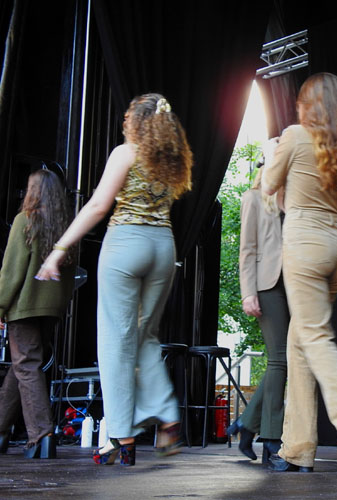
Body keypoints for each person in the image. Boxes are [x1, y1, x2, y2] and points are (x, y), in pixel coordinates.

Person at [36, 93, 193, 466]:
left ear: (137, 121)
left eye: (128, 118)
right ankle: (167, 416)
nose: (124, 123)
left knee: (116, 341)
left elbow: (97, 206)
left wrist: (59, 249)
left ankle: (122, 434)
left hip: (126, 244)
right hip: (163, 246)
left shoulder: (127, 153)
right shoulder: (171, 161)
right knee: (145, 336)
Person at [262, 72, 337, 475]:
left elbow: (268, 187)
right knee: (300, 344)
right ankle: (297, 450)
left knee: (315, 338)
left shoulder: (295, 136)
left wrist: (270, 152)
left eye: (301, 102)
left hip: (305, 243)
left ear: (308, 106)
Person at [0, 170, 75, 459]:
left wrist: (1, 306)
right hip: (50, 310)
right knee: (22, 367)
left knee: (26, 366)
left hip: (24, 307)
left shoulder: (25, 220)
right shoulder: (65, 227)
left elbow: (11, 272)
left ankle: (42, 435)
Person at [229, 167, 288, 463]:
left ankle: (247, 423)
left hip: (295, 285)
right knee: (280, 359)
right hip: (267, 285)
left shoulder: (295, 199)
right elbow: (247, 248)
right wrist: (247, 292)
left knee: (288, 359)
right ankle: (272, 440)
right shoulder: (252, 198)